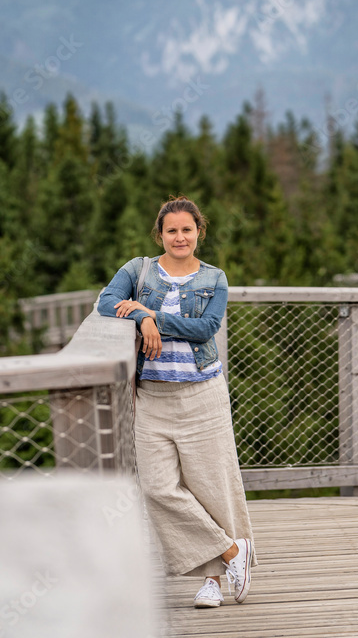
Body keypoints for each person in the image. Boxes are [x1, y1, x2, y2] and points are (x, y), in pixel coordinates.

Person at [97, 194, 257, 609]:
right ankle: (232, 551)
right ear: (160, 234)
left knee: (210, 487)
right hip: (152, 397)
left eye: (187, 229)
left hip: (202, 394)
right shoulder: (139, 270)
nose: (179, 237)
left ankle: (211, 582)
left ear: (199, 232)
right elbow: (106, 302)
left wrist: (154, 318)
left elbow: (205, 328)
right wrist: (140, 316)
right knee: (157, 489)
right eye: (172, 230)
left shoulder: (214, 278)